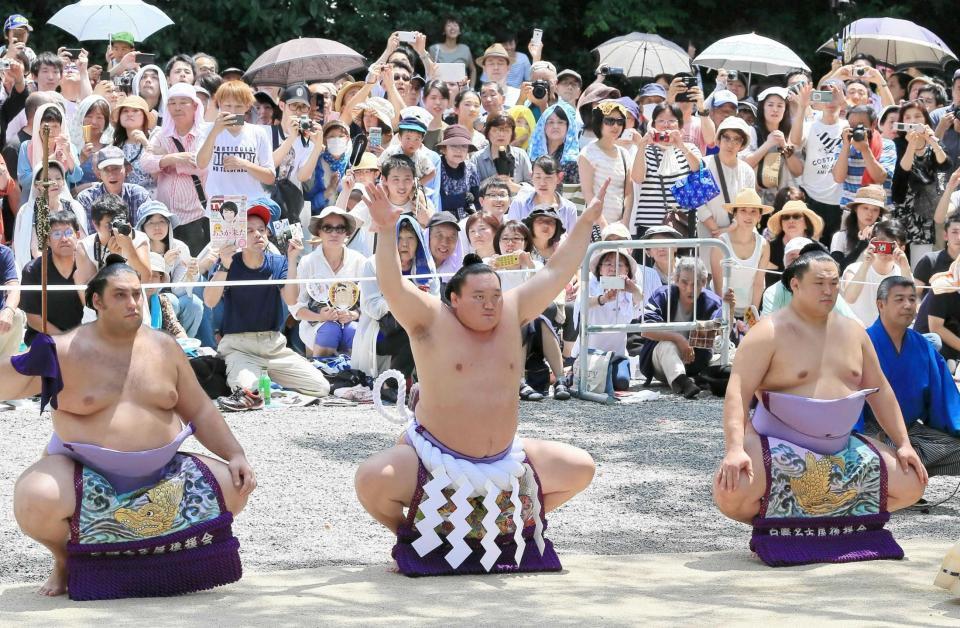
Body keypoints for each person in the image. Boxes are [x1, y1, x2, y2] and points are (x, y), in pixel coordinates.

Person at [354, 178, 602, 571]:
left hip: (505, 460)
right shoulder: (430, 320)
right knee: (371, 480)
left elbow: (556, 271)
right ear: (454, 299)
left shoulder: (513, 310)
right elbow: (391, 285)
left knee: (581, 468)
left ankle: (517, 520)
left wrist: (586, 225)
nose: (490, 306)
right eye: (479, 298)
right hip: (436, 460)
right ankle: (413, 533)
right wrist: (386, 230)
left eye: (495, 296)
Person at [3, 254, 255, 597]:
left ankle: (156, 561)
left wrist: (234, 452)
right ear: (97, 301)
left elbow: (201, 410)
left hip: (162, 473)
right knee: (35, 497)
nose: (133, 303)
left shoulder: (165, 348)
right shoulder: (62, 351)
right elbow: (8, 381)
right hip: (83, 472)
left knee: (234, 483)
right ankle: (65, 559)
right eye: (120, 295)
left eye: (136, 294)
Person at [712, 246, 927, 567]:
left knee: (913, 483)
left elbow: (880, 391)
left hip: (841, 444)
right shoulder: (767, 332)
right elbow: (738, 392)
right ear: (794, 285)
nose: (828, 290)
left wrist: (904, 443)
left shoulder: (854, 332)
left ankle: (826, 524)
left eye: (834, 282)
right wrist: (735, 448)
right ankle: (789, 524)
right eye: (819, 283)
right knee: (732, 491)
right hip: (779, 442)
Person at [203, 202, 329, 403]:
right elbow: (209, 301)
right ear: (239, 236)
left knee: (321, 387)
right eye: (250, 231)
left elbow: (291, 299)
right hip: (238, 346)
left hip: (274, 346)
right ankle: (246, 376)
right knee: (250, 394)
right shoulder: (228, 261)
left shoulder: (278, 262)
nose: (257, 234)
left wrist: (292, 258)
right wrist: (224, 267)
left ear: (268, 234)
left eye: (261, 230)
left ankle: (264, 379)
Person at [864, 276, 960, 476]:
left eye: (912, 299)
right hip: (870, 433)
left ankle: (907, 474)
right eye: (899, 299)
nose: (908, 305)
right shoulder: (862, 344)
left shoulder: (923, 347)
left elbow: (944, 399)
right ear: (880, 304)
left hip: (911, 432)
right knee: (873, 456)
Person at [351, 214, 438, 381]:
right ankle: (391, 385)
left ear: (418, 241)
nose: (404, 244)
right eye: (399, 237)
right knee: (414, 333)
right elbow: (372, 307)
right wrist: (406, 298)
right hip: (381, 331)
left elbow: (435, 303)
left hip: (418, 323)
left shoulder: (426, 266)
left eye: (410, 238)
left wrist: (417, 299)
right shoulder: (373, 264)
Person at [637, 257, 726, 399]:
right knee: (667, 345)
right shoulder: (663, 294)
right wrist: (679, 339)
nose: (689, 288)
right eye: (684, 282)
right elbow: (646, 329)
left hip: (698, 361)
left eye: (696, 283)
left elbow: (723, 329)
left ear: (704, 282)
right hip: (663, 363)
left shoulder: (713, 301)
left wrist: (731, 308)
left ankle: (697, 380)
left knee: (730, 353)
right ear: (676, 279)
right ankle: (683, 382)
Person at [141, 83, 209, 256]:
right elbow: (145, 163)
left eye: (183, 102)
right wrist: (173, 158)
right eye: (172, 103)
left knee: (193, 267)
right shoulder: (161, 134)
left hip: (195, 215)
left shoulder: (204, 133)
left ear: (195, 105)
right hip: (166, 216)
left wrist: (165, 162)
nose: (177, 108)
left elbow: (201, 165)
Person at [290, 207, 366, 358]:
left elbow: (369, 303)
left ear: (347, 233)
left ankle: (356, 378)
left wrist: (353, 314)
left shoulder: (359, 261)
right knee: (330, 330)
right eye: (328, 228)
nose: (334, 233)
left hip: (351, 325)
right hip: (316, 328)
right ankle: (323, 377)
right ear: (319, 232)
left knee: (353, 331)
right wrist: (321, 317)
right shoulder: (307, 262)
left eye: (340, 228)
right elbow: (296, 308)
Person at [891, 99, 951, 263]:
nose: (913, 121)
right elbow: (903, 170)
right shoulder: (896, 143)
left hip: (925, 213)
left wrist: (931, 140)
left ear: (925, 119)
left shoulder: (933, 143)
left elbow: (945, 164)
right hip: (901, 208)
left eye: (918, 116)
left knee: (919, 263)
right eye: (908, 117)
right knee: (897, 260)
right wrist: (911, 145)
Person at [575, 249, 643, 391]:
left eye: (619, 265)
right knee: (594, 384)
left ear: (627, 270)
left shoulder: (630, 289)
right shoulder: (590, 285)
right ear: (600, 269)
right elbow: (583, 304)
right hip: (591, 354)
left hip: (617, 355)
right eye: (608, 264)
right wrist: (603, 299)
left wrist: (634, 290)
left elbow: (640, 304)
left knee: (621, 383)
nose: (613, 268)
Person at [630, 103, 702, 236]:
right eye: (661, 120)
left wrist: (681, 146)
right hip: (649, 223)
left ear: (680, 125)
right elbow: (637, 178)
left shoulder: (689, 148)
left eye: (671, 121)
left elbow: (698, 170)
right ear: (653, 125)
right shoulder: (645, 150)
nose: (666, 125)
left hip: (682, 222)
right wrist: (641, 146)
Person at [196, 80, 275, 201]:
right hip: (219, 203)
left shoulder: (258, 132)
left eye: (238, 106)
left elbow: (270, 177)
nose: (233, 111)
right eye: (228, 106)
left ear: (247, 106)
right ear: (220, 104)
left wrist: (244, 164)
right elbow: (201, 164)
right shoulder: (207, 129)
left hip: (251, 203)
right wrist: (215, 131)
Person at [789, 81, 846, 245]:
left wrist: (844, 104)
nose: (830, 101)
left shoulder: (848, 125)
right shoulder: (810, 125)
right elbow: (795, 141)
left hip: (839, 200)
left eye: (835, 95)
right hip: (811, 195)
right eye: (826, 95)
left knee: (835, 248)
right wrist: (802, 106)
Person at [137, 201, 204, 339]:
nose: (157, 227)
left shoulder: (179, 247)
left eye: (162, 221)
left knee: (195, 304)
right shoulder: (138, 249)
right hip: (147, 298)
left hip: (174, 297)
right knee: (170, 300)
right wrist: (164, 266)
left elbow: (178, 290)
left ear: (169, 224)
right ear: (143, 227)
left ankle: (186, 345)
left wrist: (191, 274)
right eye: (150, 222)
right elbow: (148, 288)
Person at [18, 211, 85, 345]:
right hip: (43, 338)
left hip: (83, 337)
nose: (64, 239)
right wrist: (65, 339)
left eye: (68, 233)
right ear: (47, 240)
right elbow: (33, 318)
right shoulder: (33, 270)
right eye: (56, 234)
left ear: (77, 235)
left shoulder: (87, 266)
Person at [13, 161, 87, 272]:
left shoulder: (74, 207)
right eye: (48, 179)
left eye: (58, 178)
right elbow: (36, 249)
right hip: (41, 270)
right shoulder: (29, 212)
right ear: (37, 184)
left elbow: (82, 241)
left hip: (74, 266)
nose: (54, 183)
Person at [268, 83, 325, 224]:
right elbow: (268, 165)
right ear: (282, 106)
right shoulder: (265, 133)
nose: (298, 111)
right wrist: (291, 137)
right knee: (258, 243)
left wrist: (317, 146)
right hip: (263, 204)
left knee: (288, 244)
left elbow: (303, 176)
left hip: (289, 207)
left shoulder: (307, 141)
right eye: (293, 106)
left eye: (303, 107)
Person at [762, 239, 860, 320]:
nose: (798, 263)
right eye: (793, 259)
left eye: (803, 259)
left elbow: (854, 323)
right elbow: (766, 328)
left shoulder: (828, 292)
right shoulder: (773, 292)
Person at [712, 189, 771, 317]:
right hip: (722, 308)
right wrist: (724, 314)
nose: (748, 216)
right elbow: (718, 283)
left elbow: (758, 283)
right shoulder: (721, 242)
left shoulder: (764, 245)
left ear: (760, 217)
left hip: (748, 310)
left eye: (753, 211)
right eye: (743, 210)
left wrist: (751, 316)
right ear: (735, 214)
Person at [841, 219, 911, 326]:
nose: (884, 249)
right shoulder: (854, 269)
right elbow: (849, 298)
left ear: (902, 248)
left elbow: (911, 306)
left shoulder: (903, 273)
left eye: (891, 245)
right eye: (881, 243)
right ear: (872, 243)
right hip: (859, 335)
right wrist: (866, 264)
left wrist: (905, 267)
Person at [696, 116, 756, 239]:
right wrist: (716, 230)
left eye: (737, 139)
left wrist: (730, 229)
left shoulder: (748, 171)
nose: (731, 144)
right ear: (719, 139)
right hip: (708, 233)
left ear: (742, 144)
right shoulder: (703, 165)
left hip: (739, 233)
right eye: (726, 138)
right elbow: (699, 204)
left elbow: (749, 205)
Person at [579, 100, 633, 229]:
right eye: (609, 121)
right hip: (594, 226)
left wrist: (624, 223)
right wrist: (604, 226)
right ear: (599, 123)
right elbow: (588, 193)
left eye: (620, 121)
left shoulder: (624, 154)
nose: (615, 126)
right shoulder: (587, 153)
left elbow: (628, 194)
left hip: (620, 227)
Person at [833, 105, 897, 208]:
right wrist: (846, 146)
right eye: (852, 126)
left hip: (879, 208)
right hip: (850, 208)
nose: (856, 130)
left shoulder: (887, 145)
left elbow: (880, 178)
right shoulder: (843, 145)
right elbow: (838, 178)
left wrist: (865, 150)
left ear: (873, 124)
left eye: (861, 125)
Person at [75, 146, 150, 231]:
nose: (111, 174)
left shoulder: (139, 195)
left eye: (116, 168)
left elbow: (149, 229)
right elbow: (88, 236)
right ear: (99, 174)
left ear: (126, 169)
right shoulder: (86, 198)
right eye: (106, 169)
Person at [508, 155, 578, 233]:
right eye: (538, 177)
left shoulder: (569, 209)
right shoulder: (519, 204)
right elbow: (512, 235)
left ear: (559, 178)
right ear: (531, 177)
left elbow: (572, 241)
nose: (542, 183)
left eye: (548, 178)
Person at [765, 194, 824, 285]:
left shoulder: (818, 250)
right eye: (786, 217)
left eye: (796, 216)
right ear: (781, 224)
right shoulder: (768, 248)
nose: (791, 220)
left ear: (806, 223)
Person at [830, 185, 887, 271]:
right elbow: (838, 270)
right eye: (865, 208)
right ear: (856, 209)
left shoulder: (885, 238)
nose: (870, 214)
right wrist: (862, 244)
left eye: (875, 210)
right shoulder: (840, 236)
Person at [471, 113, 532, 191]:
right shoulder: (477, 158)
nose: (501, 134)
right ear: (488, 132)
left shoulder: (521, 155)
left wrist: (513, 186)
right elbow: (473, 188)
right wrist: (493, 180)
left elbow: (532, 186)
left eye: (506, 130)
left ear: (512, 134)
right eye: (495, 130)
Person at [110, 94, 157, 193]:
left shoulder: (155, 139)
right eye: (125, 111)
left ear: (145, 117)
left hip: (149, 201)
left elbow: (159, 177)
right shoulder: (115, 146)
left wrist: (146, 144)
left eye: (135, 110)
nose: (129, 114)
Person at [528, 101, 581, 185]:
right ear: (543, 126)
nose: (555, 126)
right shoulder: (532, 152)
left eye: (560, 122)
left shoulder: (575, 159)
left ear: (569, 127)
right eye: (551, 122)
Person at [436, 124, 480, 220]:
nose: (459, 151)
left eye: (464, 146)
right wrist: (463, 198)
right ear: (444, 149)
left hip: (466, 221)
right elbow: (440, 202)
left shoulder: (471, 168)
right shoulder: (436, 167)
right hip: (442, 220)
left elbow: (477, 201)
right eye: (454, 146)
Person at [428, 18, 477, 87]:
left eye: (455, 25)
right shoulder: (434, 49)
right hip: (440, 91)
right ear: (443, 31)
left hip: (461, 93)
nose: (452, 28)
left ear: (459, 31)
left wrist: (471, 89)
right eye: (449, 25)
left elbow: (473, 70)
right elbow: (428, 71)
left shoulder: (465, 49)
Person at [0, 240, 23, 357]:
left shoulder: (4, 253)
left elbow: (13, 287)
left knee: (16, 316)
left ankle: (4, 370)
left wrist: (9, 310)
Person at [427, 210, 464, 275]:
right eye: (439, 235)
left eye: (451, 237)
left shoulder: (462, 273)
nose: (445, 243)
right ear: (428, 237)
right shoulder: (410, 267)